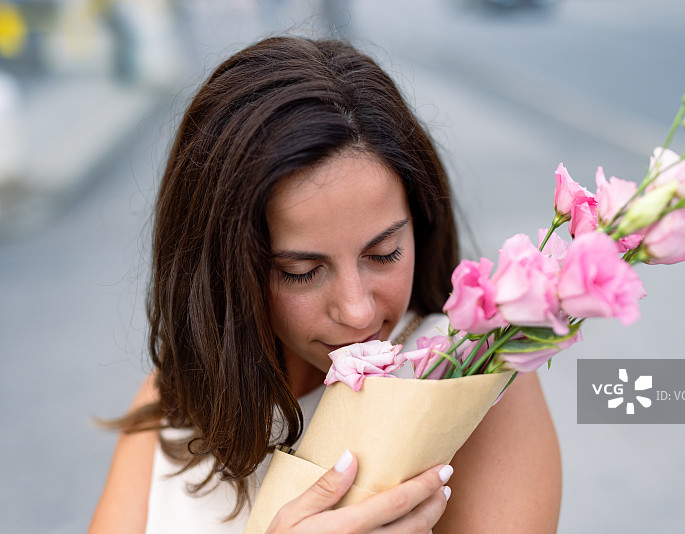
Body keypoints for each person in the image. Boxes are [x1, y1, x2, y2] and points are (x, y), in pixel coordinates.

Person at [89, 35, 562, 533]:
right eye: (302, 272)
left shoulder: (469, 379)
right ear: (225, 273)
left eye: (384, 254)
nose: (357, 312)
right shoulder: (176, 400)